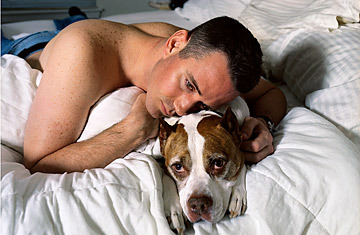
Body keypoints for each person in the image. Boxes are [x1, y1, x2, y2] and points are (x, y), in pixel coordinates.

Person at [5, 16, 286, 173]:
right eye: (189, 85)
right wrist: (134, 129)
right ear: (175, 43)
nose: (183, 107)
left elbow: (272, 92)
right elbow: (38, 163)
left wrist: (264, 122)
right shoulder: (81, 57)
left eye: (201, 104)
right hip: (35, 48)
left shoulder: (206, 65)